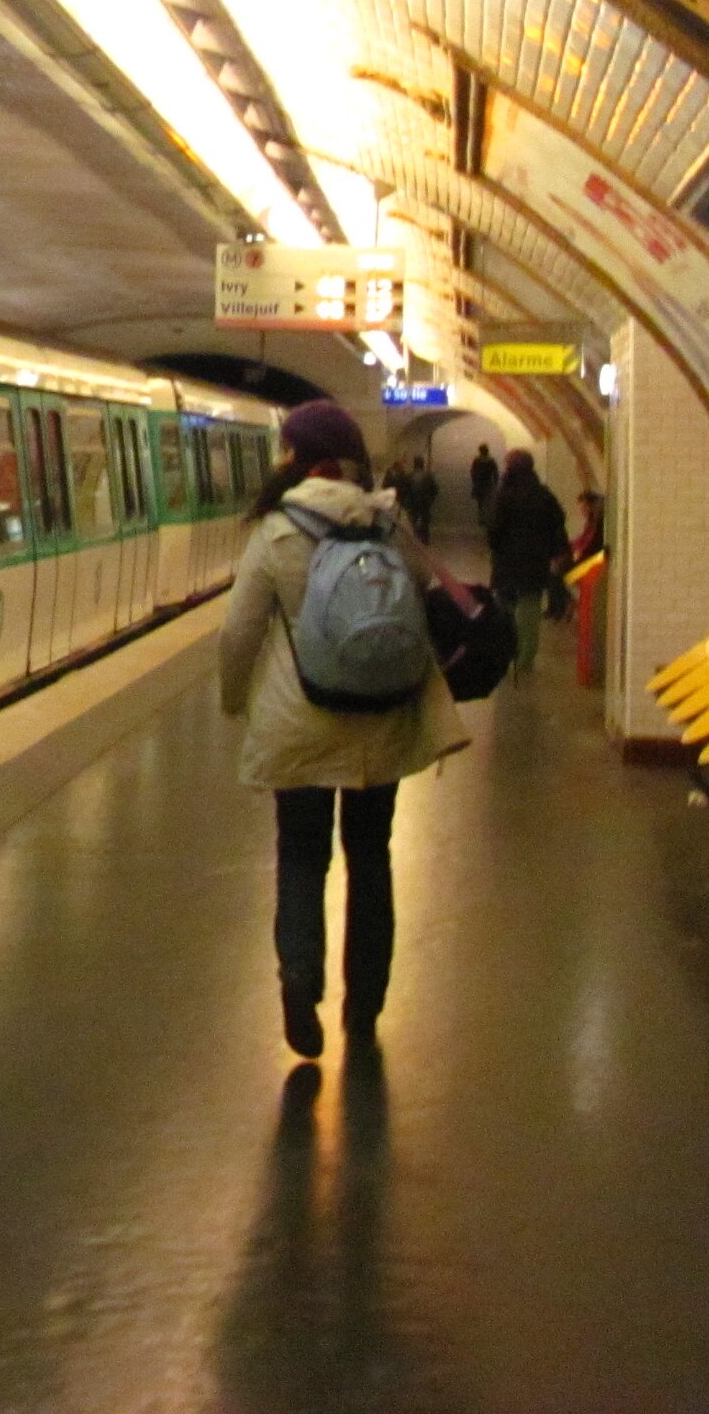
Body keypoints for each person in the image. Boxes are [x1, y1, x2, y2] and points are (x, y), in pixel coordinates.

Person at [219, 400, 470, 1060]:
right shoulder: (388, 522)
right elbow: (423, 599)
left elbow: (239, 632)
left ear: (298, 458)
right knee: (370, 858)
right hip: (381, 722)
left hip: (299, 726)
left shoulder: (276, 531)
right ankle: (366, 1005)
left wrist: (235, 700)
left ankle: (299, 983)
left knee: (302, 856)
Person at [486, 449, 571, 675]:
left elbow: (493, 529)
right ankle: (525, 658)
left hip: (506, 561)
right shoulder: (543, 495)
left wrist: (496, 548)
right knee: (530, 608)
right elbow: (557, 525)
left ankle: (506, 653)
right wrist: (557, 552)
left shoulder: (503, 495)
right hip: (535, 562)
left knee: (504, 606)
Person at [469, 442, 499, 527]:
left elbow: (473, 471)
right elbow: (495, 472)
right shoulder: (491, 460)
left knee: (480, 503)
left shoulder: (477, 460)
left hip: (479, 484)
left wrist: (474, 481)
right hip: (488, 483)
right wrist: (495, 483)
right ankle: (487, 518)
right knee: (488, 502)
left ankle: (481, 518)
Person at [412, 461, 439, 543]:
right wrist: (431, 498)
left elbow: (406, 489)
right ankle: (425, 537)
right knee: (425, 519)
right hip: (425, 501)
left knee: (414, 518)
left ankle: (415, 536)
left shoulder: (410, 476)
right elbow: (435, 489)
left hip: (414, 501)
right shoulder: (428, 476)